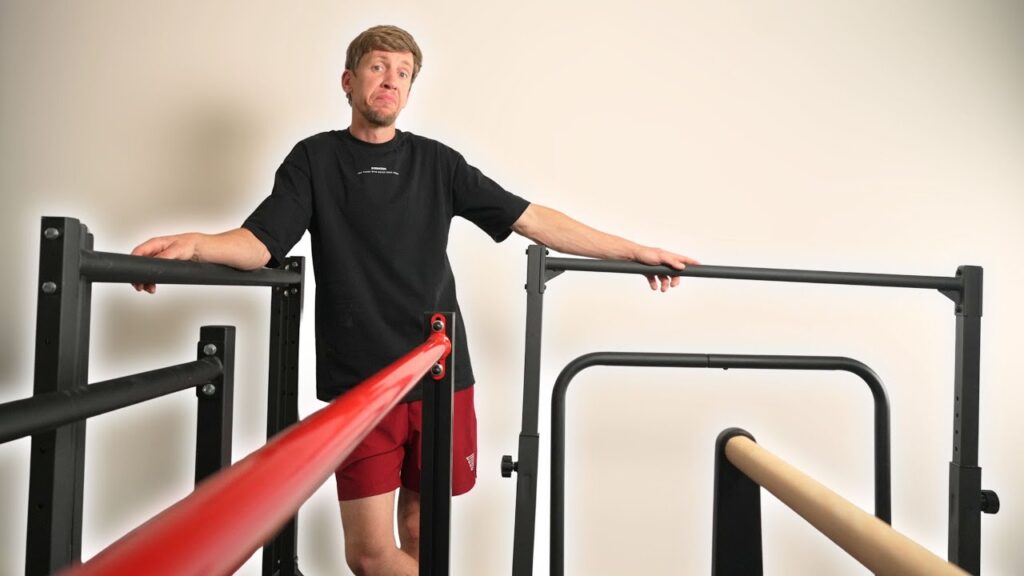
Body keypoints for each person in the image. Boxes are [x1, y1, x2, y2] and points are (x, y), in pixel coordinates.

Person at [131, 25, 698, 576]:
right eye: (378, 68)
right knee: (370, 555)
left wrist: (632, 251)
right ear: (348, 81)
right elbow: (261, 242)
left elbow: (532, 219)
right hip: (362, 387)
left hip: (441, 372)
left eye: (403, 73)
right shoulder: (314, 160)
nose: (391, 81)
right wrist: (198, 244)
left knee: (426, 533)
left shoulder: (437, 162)